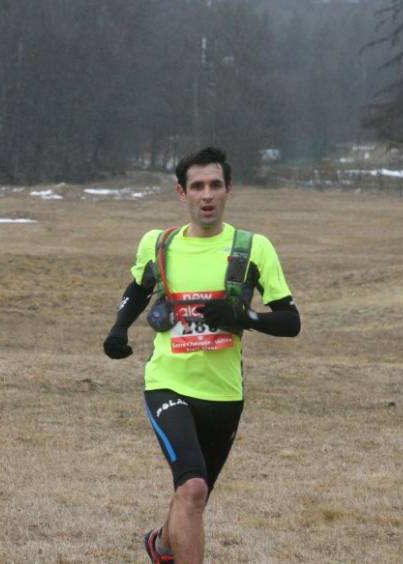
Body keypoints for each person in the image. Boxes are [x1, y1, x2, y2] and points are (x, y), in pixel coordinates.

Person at [103, 147, 301, 563]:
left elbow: (290, 320)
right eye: (197, 187)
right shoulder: (158, 244)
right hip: (168, 383)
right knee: (192, 488)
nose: (206, 195)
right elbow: (139, 287)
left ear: (228, 190)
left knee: (194, 496)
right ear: (182, 193)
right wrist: (118, 329)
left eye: (215, 185)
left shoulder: (253, 248)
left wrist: (244, 316)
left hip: (225, 394)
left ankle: (160, 544)